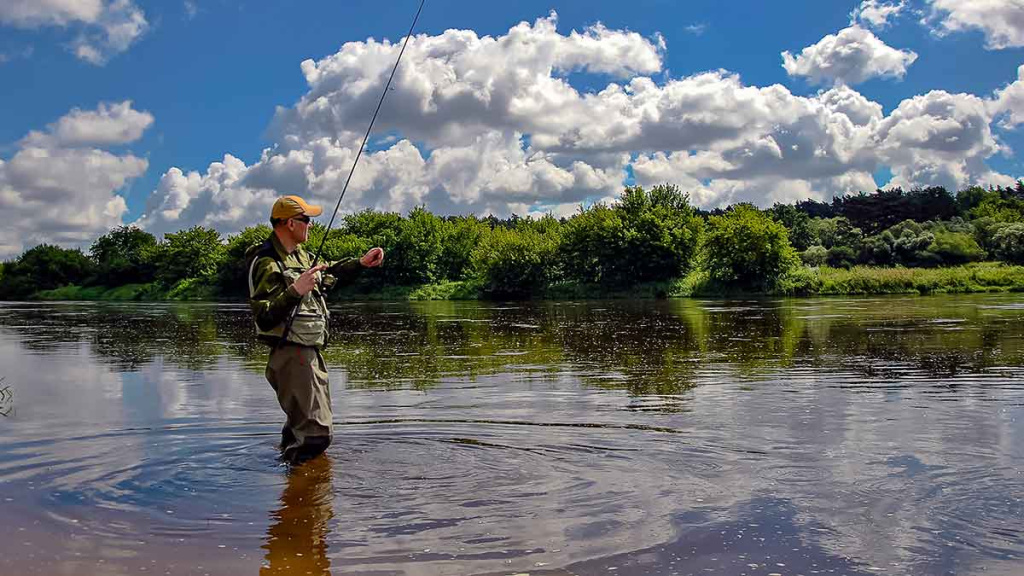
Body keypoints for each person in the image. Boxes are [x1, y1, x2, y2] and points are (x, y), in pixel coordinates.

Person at [247, 195, 384, 464]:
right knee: (315, 435)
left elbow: (329, 271)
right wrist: (295, 290)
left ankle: (291, 480)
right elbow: (264, 317)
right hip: (292, 354)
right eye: (306, 219)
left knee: (299, 431)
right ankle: (305, 487)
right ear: (289, 223)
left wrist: (360, 263)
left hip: (308, 351)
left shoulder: (301, 256)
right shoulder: (267, 262)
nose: (310, 225)